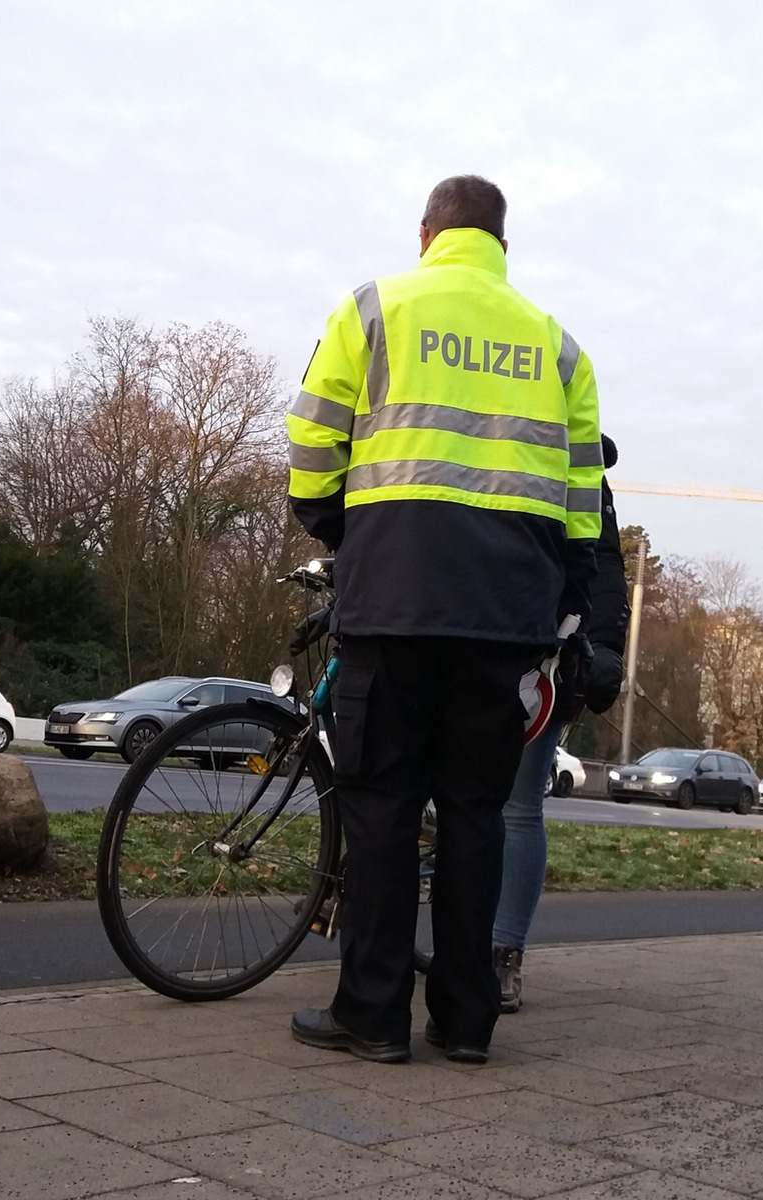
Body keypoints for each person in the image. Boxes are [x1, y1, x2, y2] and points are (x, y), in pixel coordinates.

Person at [286, 174, 603, 1064]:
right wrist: (561, 589)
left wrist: (343, 529)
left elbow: (312, 439)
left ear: (428, 233)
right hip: (506, 615)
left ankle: (374, 1015)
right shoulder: (559, 347)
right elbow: (583, 500)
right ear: (502, 244)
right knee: (475, 810)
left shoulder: (376, 308)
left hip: (394, 598)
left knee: (380, 803)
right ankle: (467, 1024)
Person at [494, 434, 630, 1013]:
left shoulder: (576, 462)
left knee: (519, 805)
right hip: (512, 636)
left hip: (540, 650)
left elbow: (601, 563)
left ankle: (502, 954)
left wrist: (600, 650)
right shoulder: (567, 450)